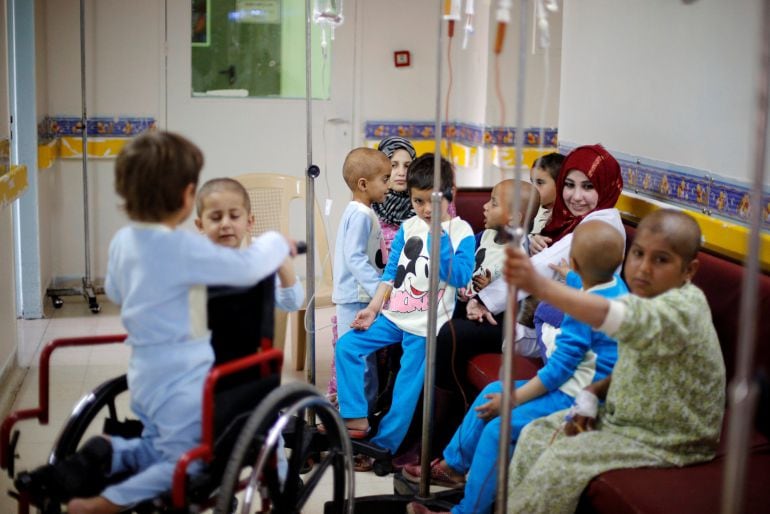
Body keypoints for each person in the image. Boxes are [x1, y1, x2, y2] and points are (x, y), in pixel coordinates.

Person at [15, 131, 295, 514]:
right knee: (188, 464)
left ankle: (108, 451)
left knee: (157, 445)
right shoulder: (184, 248)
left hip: (144, 377)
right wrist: (275, 242)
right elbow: (247, 268)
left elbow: (115, 291)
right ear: (187, 197)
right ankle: (103, 504)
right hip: (186, 382)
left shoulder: (122, 242)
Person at [503, 209, 726, 514]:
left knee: (562, 460)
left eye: (661, 260)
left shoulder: (683, 308)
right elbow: (634, 361)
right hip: (622, 415)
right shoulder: (643, 297)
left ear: (689, 270)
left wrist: (541, 286)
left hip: (668, 436)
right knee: (535, 434)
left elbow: (609, 315)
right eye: (638, 254)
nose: (643, 268)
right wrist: (595, 391)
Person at [404, 220, 629, 514]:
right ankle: (454, 467)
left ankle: (467, 511)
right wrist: (569, 276)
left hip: (577, 398)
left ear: (575, 260)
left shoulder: (582, 311)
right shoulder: (615, 287)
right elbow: (587, 282)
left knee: (499, 429)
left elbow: (556, 372)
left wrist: (512, 400)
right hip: (574, 385)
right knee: (493, 390)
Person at [335, 153, 475, 456]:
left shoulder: (461, 232)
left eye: (433, 201)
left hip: (425, 326)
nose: (426, 209)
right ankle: (355, 417)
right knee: (347, 346)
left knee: (406, 387)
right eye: (418, 201)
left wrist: (439, 239)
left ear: (450, 193)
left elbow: (460, 276)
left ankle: (384, 444)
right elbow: (390, 274)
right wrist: (373, 309)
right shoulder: (409, 226)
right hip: (393, 314)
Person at [431, 180, 539, 444]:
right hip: (471, 305)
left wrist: (478, 300)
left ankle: (441, 430)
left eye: (494, 203)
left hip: (499, 320)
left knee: (449, 334)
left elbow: (511, 294)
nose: (485, 206)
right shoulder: (486, 236)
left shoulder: (520, 251)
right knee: (425, 317)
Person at [194, 177, 304, 363]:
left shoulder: (257, 267)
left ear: (250, 221)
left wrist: (282, 263)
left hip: (246, 364)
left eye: (234, 216)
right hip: (201, 364)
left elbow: (292, 303)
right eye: (215, 218)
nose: (225, 224)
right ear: (200, 225)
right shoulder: (193, 267)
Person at [330, 147, 392, 415]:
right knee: (359, 360)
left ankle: (361, 411)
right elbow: (354, 257)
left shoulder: (359, 211)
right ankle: (357, 415)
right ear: (364, 184)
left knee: (362, 358)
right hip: (357, 296)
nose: (389, 185)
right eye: (385, 179)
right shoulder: (361, 215)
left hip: (358, 295)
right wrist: (379, 291)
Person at [529, 152, 565, 239]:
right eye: (532, 182)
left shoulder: (566, 220)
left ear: (559, 184)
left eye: (539, 182)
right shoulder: (534, 212)